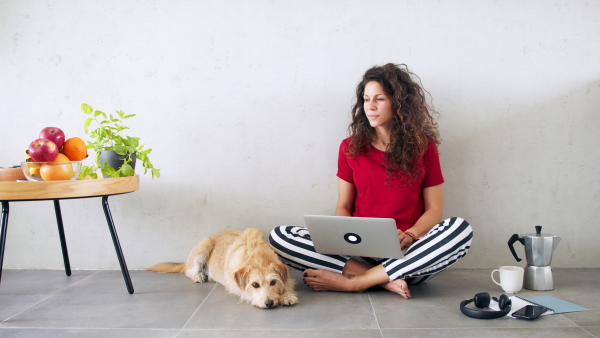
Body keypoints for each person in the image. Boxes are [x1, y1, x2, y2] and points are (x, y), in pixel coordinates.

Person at [269, 63, 473, 299]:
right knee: (280, 237)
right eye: (366, 99)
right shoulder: (350, 148)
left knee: (460, 230)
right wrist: (343, 239)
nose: (370, 106)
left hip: (408, 255)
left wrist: (411, 235)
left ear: (398, 103)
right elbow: (344, 206)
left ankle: (357, 282)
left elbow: (435, 209)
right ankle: (382, 279)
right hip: (357, 253)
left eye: (379, 99)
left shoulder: (424, 147)